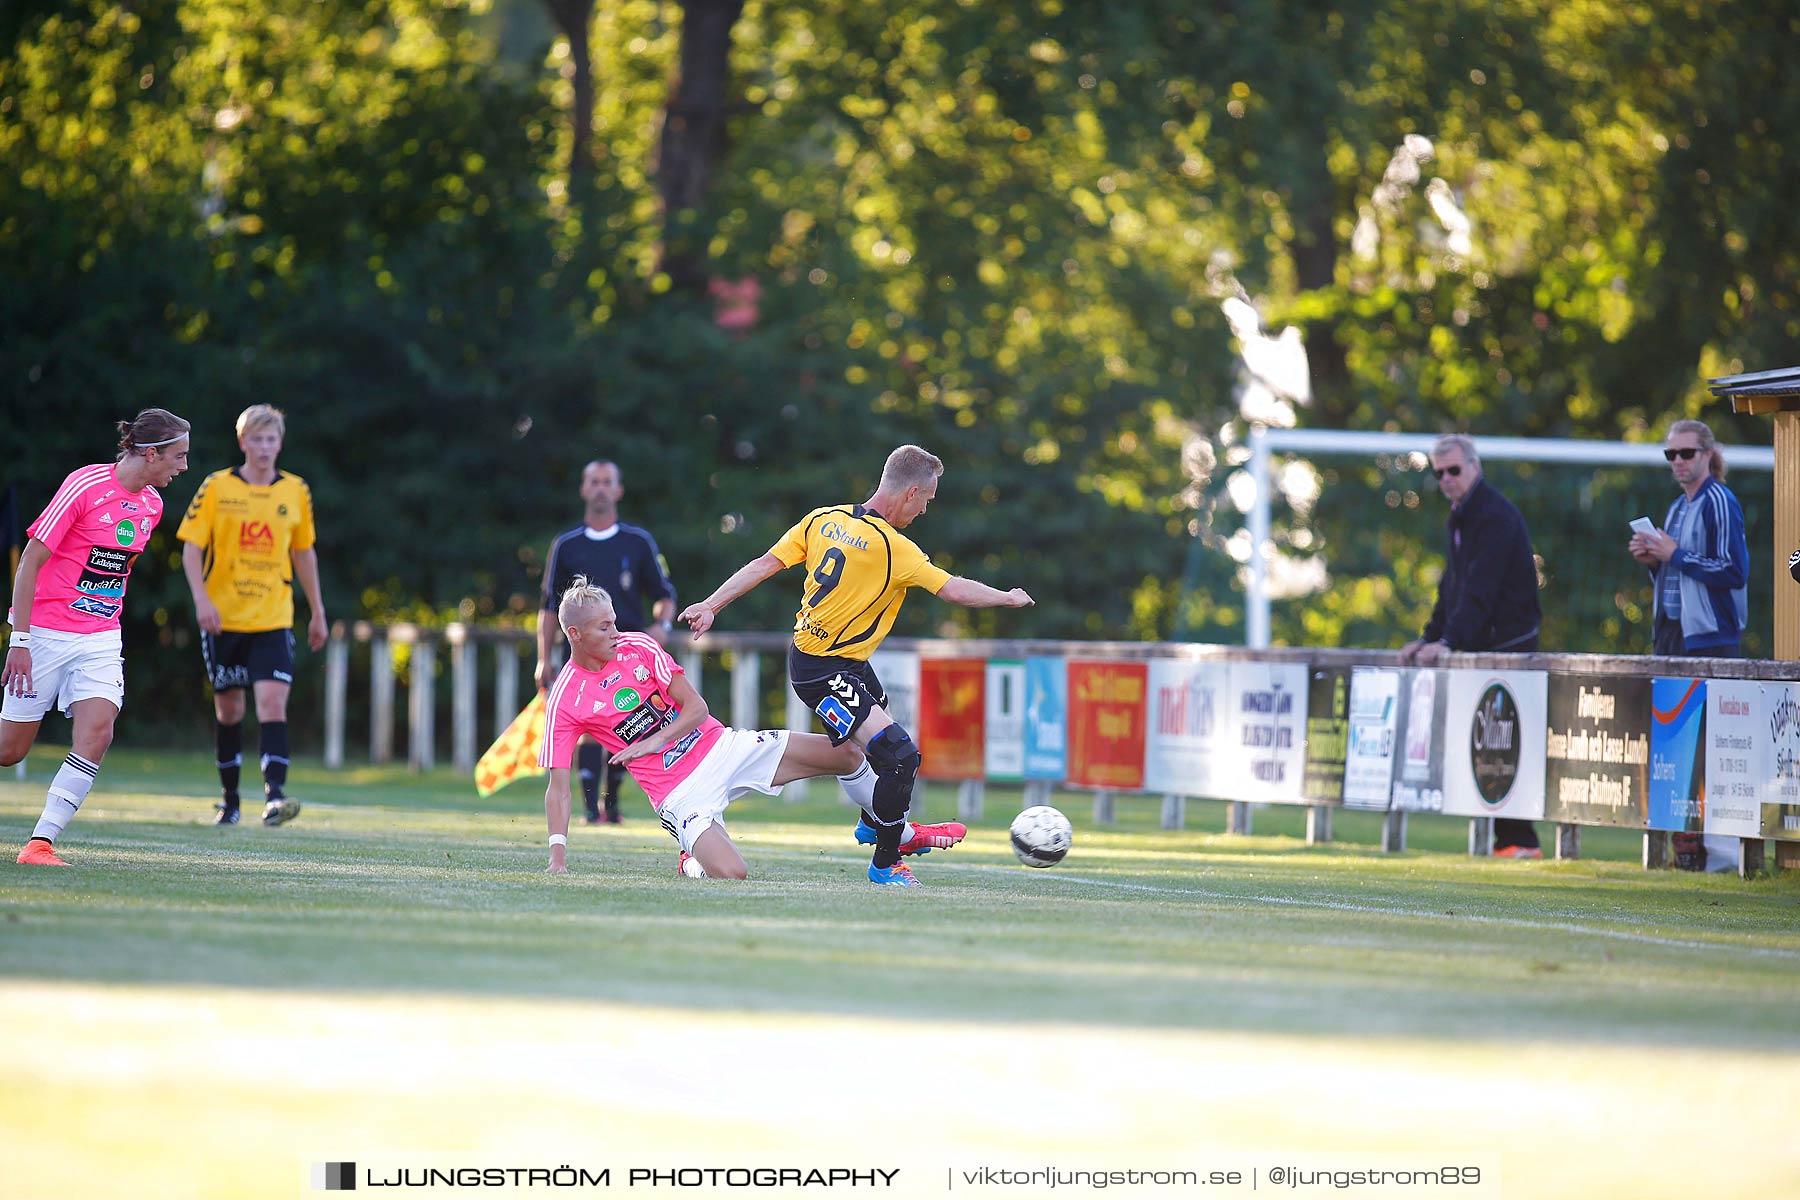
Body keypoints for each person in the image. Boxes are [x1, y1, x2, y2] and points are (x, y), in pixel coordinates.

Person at [679, 445, 1035, 886]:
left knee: (864, 748)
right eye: (927, 499)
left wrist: (712, 604)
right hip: (823, 671)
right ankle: (886, 862)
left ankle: (876, 822)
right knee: (899, 756)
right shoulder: (894, 548)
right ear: (909, 493)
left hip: (836, 661)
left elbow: (764, 565)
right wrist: (1006, 597)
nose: (925, 509)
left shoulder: (822, 519)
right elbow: (954, 591)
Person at [540, 577, 864, 879]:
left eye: (614, 621)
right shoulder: (566, 697)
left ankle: (894, 833)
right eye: (604, 626)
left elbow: (697, 709)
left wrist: (656, 741)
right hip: (679, 793)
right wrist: (557, 859)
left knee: (847, 753)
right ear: (575, 634)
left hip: (721, 747)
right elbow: (558, 788)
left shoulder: (639, 646)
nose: (615, 632)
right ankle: (691, 861)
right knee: (733, 873)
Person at [3, 409, 191, 865]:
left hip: (101, 638)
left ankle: (40, 843)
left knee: (98, 732)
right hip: (44, 635)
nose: (184, 466)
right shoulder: (85, 485)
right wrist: (20, 641)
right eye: (178, 456)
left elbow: (112, 573)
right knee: (9, 751)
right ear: (151, 453)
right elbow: (30, 559)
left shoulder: (152, 505)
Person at [177, 405, 326, 828]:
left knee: (272, 703)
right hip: (223, 620)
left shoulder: (295, 491)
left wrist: (318, 611)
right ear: (243, 442)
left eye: (271, 439)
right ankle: (230, 801)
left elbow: (304, 553)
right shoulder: (217, 487)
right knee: (229, 710)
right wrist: (202, 601)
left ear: (280, 443)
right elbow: (191, 548)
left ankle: (274, 798)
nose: (264, 448)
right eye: (256, 439)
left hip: (273, 618)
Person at [1398, 433, 1544, 858]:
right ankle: (1507, 840)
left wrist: (1449, 641)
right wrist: (1430, 637)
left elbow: (1482, 587)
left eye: (1454, 470)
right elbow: (1453, 587)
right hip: (1482, 645)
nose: (1446, 479)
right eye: (1439, 473)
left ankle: (1521, 840)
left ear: (1475, 468)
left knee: (1506, 742)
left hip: (1509, 644)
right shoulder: (1460, 516)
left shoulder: (1494, 515)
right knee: (1487, 742)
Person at [1629, 417, 1748, 873]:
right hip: (1673, 635)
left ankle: (1722, 856)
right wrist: (1653, 563)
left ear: (1706, 455)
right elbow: (1677, 573)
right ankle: (1687, 850)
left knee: (1714, 748)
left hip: (1711, 638)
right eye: (1671, 454)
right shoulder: (1678, 506)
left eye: (1686, 453)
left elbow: (1733, 571)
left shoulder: (1720, 501)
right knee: (1678, 748)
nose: (1678, 462)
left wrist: (1673, 555)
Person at [536, 459, 677, 826]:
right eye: (593, 482)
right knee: (585, 729)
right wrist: (543, 657)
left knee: (629, 723)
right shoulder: (567, 545)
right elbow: (550, 606)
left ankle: (611, 807)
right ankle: (587, 809)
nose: (600, 488)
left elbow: (664, 593)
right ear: (584, 490)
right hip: (581, 657)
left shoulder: (638, 541)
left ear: (618, 490)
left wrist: (661, 624)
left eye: (607, 482)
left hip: (628, 656)